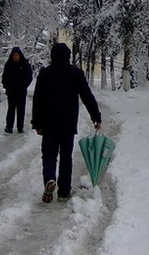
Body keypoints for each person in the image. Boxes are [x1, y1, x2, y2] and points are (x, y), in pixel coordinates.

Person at [32, 42, 101, 203]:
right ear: (68, 56)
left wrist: (37, 123)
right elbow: (87, 96)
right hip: (68, 124)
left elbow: (38, 99)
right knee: (65, 157)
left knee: (49, 155)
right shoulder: (75, 73)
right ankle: (63, 191)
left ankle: (49, 179)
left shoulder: (45, 73)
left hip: (48, 123)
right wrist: (96, 116)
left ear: (52, 56)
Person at [1, 46, 33, 134]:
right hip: (11, 91)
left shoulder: (25, 65)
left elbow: (29, 77)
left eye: (17, 55)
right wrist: (6, 86)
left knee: (21, 110)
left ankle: (20, 127)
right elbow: (4, 77)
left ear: (20, 55)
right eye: (14, 55)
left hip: (21, 91)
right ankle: (9, 127)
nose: (15, 57)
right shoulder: (8, 65)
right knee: (11, 109)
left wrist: (24, 85)